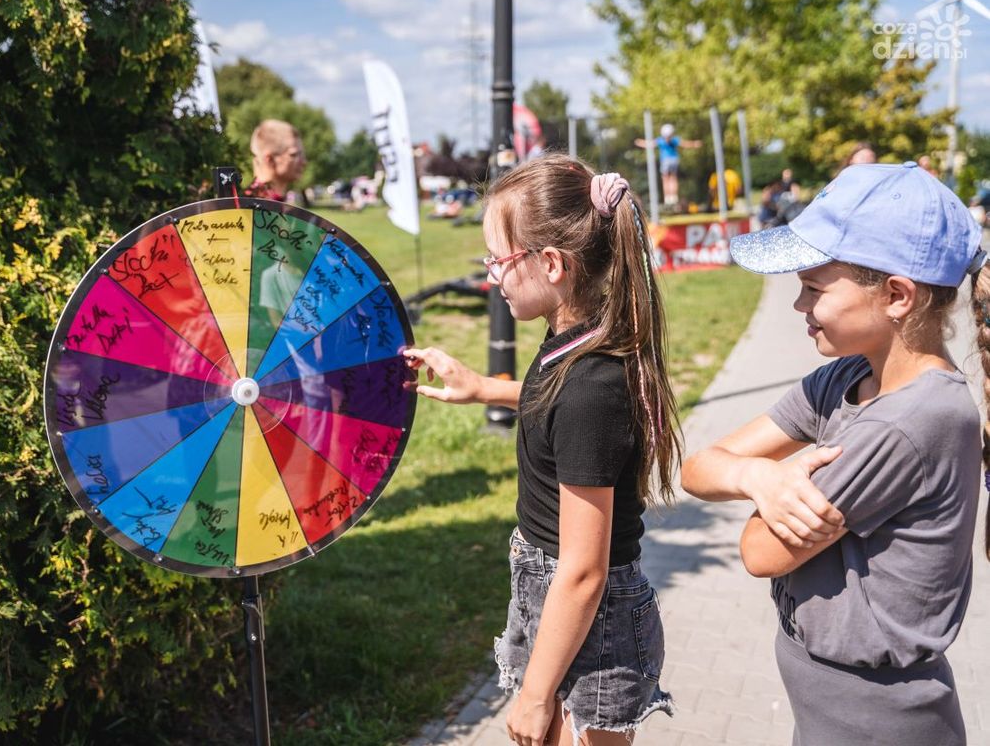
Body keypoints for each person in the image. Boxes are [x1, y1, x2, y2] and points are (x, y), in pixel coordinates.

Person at [680, 162, 986, 746]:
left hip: (880, 721)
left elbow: (761, 552)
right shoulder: (846, 378)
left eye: (814, 289)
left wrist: (753, 480)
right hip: (829, 710)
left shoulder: (912, 421)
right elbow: (700, 468)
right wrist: (760, 478)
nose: (798, 306)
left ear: (897, 295)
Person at [403, 154, 680, 745]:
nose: (490, 277)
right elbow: (548, 404)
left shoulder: (591, 386)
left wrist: (535, 696)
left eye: (497, 261)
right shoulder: (572, 338)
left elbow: (583, 570)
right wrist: (483, 388)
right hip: (553, 592)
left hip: (588, 615)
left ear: (551, 263)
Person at [635, 123, 701, 208]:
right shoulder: (674, 140)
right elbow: (685, 144)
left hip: (665, 160)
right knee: (673, 178)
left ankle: (668, 197)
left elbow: (650, 144)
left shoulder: (661, 140)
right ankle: (673, 197)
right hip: (674, 160)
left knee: (665, 179)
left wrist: (640, 142)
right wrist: (695, 144)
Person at [245, 118, 306, 202]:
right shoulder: (250, 206)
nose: (303, 162)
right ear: (270, 159)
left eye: (301, 154)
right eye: (294, 155)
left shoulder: (276, 203)